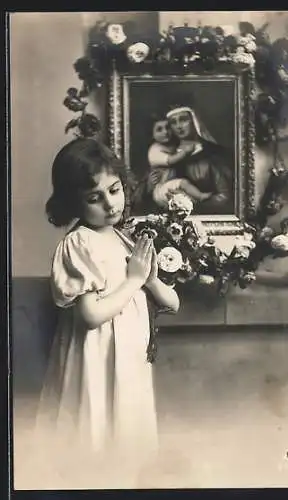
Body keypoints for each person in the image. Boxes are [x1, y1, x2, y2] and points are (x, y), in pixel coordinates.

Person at [34, 138, 180, 488]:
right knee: (96, 437)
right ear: (74, 203)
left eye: (114, 190)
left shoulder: (122, 237)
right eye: (93, 198)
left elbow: (172, 303)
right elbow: (91, 316)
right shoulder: (80, 242)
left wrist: (152, 280)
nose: (110, 203)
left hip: (126, 358)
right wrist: (133, 280)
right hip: (97, 357)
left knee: (125, 443)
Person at [166, 106, 233, 214]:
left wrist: (191, 203)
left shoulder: (214, 153)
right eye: (174, 122)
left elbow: (225, 197)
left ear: (194, 121)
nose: (179, 126)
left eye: (183, 120)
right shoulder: (167, 156)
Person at [147, 115, 213, 209]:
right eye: (159, 129)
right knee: (183, 183)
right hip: (162, 189)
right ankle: (200, 196)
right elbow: (171, 160)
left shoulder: (172, 146)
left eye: (168, 128)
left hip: (174, 189)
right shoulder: (154, 150)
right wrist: (185, 152)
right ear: (152, 135)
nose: (165, 132)